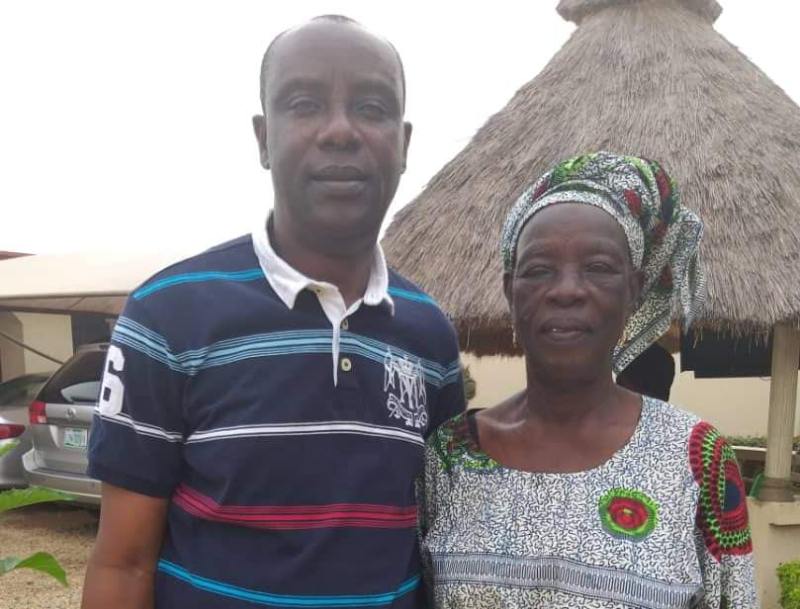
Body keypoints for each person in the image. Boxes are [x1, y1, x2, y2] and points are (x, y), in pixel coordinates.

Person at [82, 16, 465, 609]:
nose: (340, 130)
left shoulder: (429, 334)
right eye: (305, 103)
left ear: (405, 142)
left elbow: (436, 539)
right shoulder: (167, 316)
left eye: (371, 106)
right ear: (263, 138)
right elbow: (122, 563)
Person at [421, 152, 758, 608]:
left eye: (598, 267)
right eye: (539, 269)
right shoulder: (449, 458)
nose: (566, 290)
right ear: (509, 290)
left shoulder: (696, 461)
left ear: (634, 289)